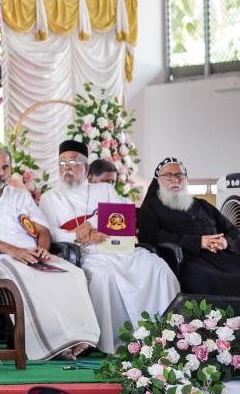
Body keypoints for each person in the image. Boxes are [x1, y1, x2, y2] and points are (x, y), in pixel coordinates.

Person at [0, 147, 100, 360]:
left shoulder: (20, 195)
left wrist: (43, 248)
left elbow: (43, 229)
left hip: (32, 254)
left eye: (5, 167)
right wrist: (14, 251)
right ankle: (53, 343)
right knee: (30, 277)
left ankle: (80, 337)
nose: (0, 172)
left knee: (74, 274)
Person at [39, 140, 179, 354]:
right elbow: (50, 232)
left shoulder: (103, 189)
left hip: (115, 246)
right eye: (62, 163)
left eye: (73, 162)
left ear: (86, 167)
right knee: (103, 276)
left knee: (157, 267)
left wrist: (91, 224)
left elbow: (122, 210)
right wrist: (81, 236)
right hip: (85, 252)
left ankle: (166, 333)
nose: (66, 167)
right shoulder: (50, 198)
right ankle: (111, 342)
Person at [138, 157, 240, 295]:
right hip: (186, 260)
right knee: (213, 279)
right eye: (168, 175)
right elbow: (151, 237)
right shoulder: (151, 207)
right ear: (158, 180)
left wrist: (225, 241)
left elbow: (232, 230)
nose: (175, 180)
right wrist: (199, 242)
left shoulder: (203, 205)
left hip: (221, 255)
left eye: (180, 175)